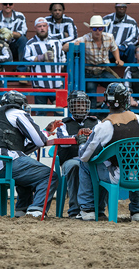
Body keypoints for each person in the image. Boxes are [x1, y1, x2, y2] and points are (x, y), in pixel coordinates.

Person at [77, 83, 139, 222]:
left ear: (106, 102)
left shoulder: (103, 126)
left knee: (85, 164)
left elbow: (85, 156)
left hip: (117, 176)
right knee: (137, 165)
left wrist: (81, 142)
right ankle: (137, 211)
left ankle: (88, 209)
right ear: (127, 100)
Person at [0, 91, 58, 218]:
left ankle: (22, 209)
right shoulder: (17, 113)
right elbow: (39, 140)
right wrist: (45, 134)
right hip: (4, 163)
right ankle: (36, 210)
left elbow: (24, 150)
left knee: (26, 169)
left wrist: (45, 132)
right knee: (49, 176)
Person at [44, 91, 99, 219]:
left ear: (87, 106)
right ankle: (75, 209)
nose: (80, 107)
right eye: (77, 104)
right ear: (70, 106)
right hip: (71, 159)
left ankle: (98, 209)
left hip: (91, 160)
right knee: (76, 166)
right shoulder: (63, 123)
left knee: (104, 167)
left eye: (83, 104)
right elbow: (63, 142)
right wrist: (78, 136)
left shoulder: (96, 122)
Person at [72, 15, 123, 109]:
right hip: (89, 72)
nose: (98, 31)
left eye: (100, 28)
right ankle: (93, 116)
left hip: (103, 70)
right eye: (95, 28)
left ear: (103, 28)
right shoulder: (85, 39)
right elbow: (67, 46)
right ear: (91, 29)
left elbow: (114, 48)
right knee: (91, 93)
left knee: (117, 86)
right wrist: (73, 45)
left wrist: (118, 59)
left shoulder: (109, 37)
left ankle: (106, 107)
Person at [24, 18, 66, 107]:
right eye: (39, 26)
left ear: (47, 27)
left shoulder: (56, 41)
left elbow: (62, 57)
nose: (42, 28)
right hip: (40, 84)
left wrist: (60, 66)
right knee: (41, 112)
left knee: (61, 111)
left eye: (44, 26)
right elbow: (26, 61)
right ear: (35, 28)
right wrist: (40, 57)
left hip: (57, 83)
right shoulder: (30, 43)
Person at [0, 3, 28, 71]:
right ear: (1, 4)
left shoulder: (20, 16)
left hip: (14, 46)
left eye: (10, 4)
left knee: (23, 40)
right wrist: (1, 36)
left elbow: (23, 33)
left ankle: (22, 72)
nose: (8, 6)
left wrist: (11, 33)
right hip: (0, 46)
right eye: (5, 4)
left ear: (13, 5)